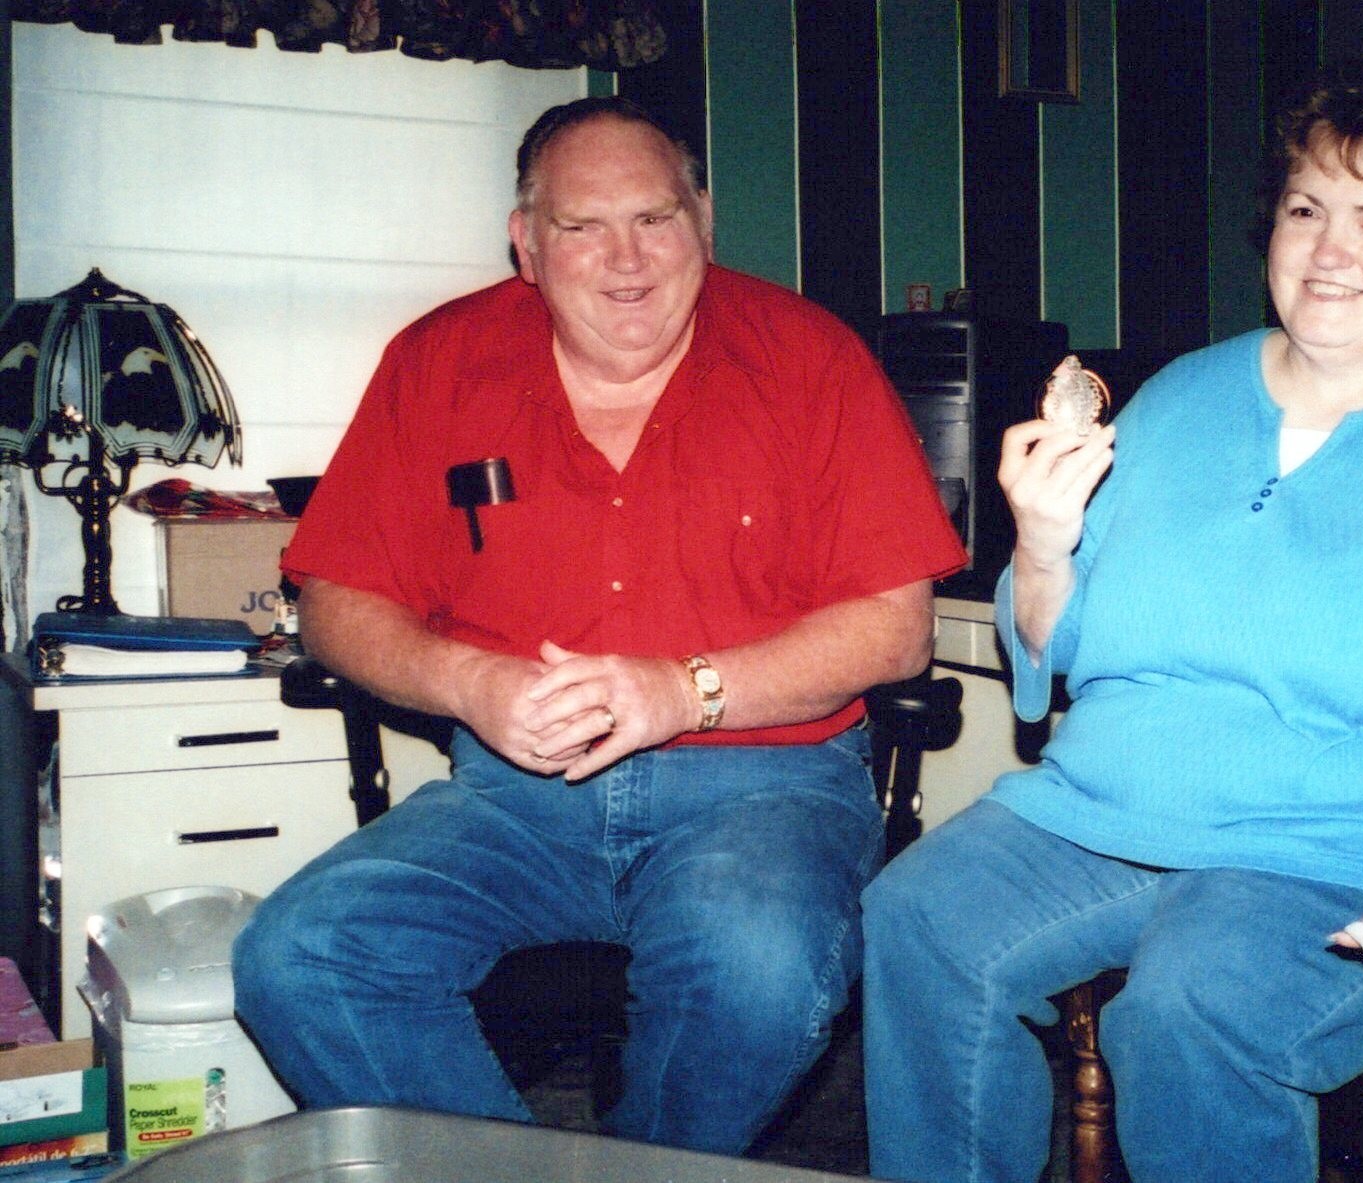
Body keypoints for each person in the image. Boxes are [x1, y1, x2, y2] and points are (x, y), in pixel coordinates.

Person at [861, 60, 1363, 1183]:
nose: (1329, 249)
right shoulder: (1182, 396)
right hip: (1127, 798)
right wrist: (1039, 541)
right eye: (1304, 209)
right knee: (920, 915)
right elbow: (1056, 647)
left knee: (1192, 1002)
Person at [232, 96, 966, 1154]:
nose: (626, 260)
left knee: (759, 966)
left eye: (654, 218)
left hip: (763, 788)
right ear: (527, 243)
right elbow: (336, 601)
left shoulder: (812, 360)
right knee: (298, 954)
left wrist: (681, 690)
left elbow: (895, 630)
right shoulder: (440, 361)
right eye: (582, 226)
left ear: (702, 220)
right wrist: (466, 681)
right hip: (511, 800)